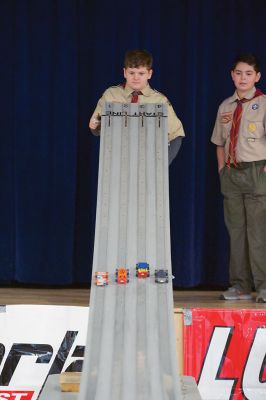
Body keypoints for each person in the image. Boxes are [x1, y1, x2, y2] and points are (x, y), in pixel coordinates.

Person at [211, 54, 266, 303]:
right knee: (236, 231)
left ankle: (263, 286)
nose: (243, 78)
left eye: (248, 74)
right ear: (232, 75)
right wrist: (222, 168)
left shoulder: (263, 103)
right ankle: (240, 285)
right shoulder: (226, 106)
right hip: (232, 173)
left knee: (258, 230)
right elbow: (219, 142)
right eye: (238, 73)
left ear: (257, 77)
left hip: (257, 171)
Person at [89, 49, 185, 164]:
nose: (136, 77)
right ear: (124, 72)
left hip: (149, 164)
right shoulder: (111, 95)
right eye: (131, 73)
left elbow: (176, 135)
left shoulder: (160, 101)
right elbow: (96, 128)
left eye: (141, 73)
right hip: (115, 163)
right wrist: (95, 125)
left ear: (149, 74)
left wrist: (161, 165)